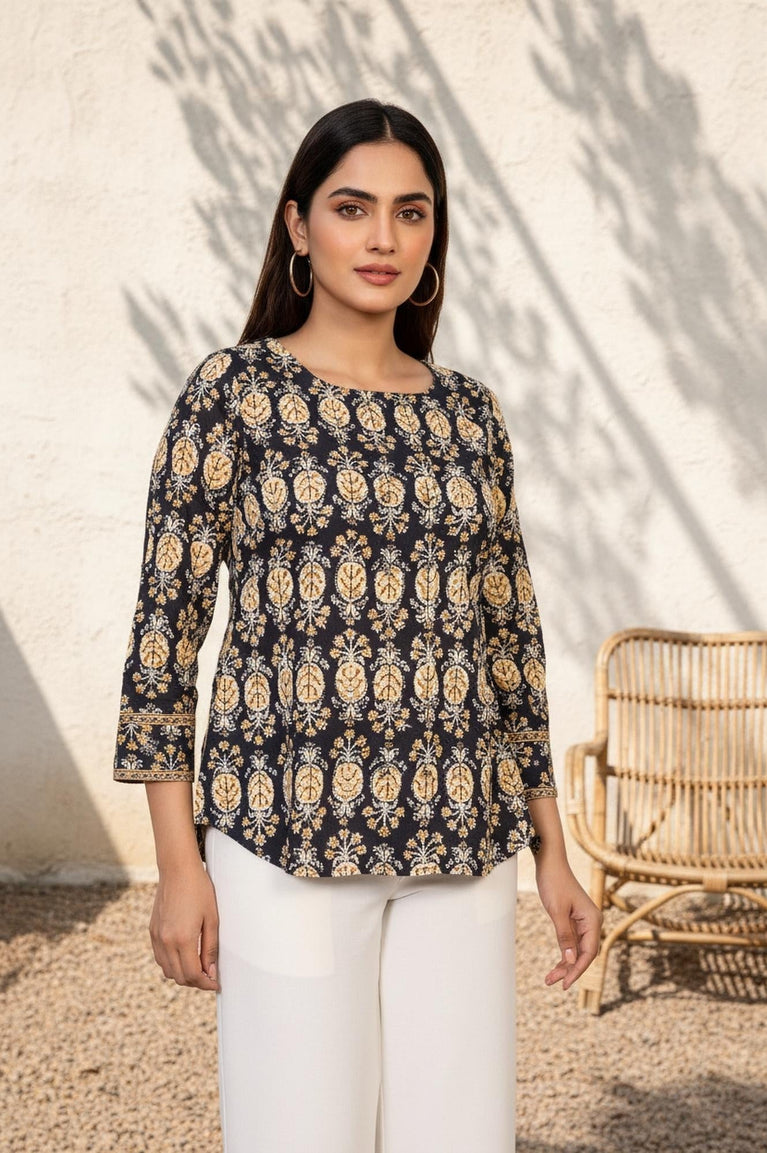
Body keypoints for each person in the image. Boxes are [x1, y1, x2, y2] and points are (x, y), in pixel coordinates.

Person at [113, 97, 602, 1153]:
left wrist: (552, 850)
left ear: (433, 235)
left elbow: (510, 643)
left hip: (463, 839)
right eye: (351, 207)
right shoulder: (233, 395)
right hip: (281, 841)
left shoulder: (469, 415)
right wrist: (178, 865)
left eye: (410, 212)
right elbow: (163, 642)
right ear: (297, 225)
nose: (383, 237)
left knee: (458, 1138)